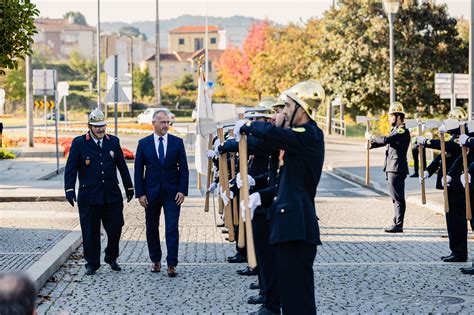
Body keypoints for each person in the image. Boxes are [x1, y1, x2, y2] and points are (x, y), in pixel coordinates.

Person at [237, 80, 325, 315]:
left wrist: (247, 125)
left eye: (287, 106)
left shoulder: (309, 135)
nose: (283, 111)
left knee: (299, 301)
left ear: (302, 109)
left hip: (297, 230)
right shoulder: (296, 138)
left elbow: (272, 134)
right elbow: (285, 186)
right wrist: (261, 197)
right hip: (287, 228)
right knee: (291, 297)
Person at [64, 108, 134, 275]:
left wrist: (129, 187)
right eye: (97, 126)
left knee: (117, 226)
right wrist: (69, 189)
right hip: (89, 196)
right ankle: (92, 262)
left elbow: (122, 166)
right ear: (90, 126)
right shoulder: (79, 143)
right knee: (90, 230)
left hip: (111, 195)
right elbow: (71, 168)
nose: (101, 129)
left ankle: (111, 256)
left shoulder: (113, 142)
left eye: (103, 125)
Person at [134, 109, 189, 277]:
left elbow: (184, 169)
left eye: (168, 122)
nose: (166, 125)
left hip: (172, 193)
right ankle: (155, 260)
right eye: (163, 122)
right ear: (154, 123)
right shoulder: (143, 144)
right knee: (151, 227)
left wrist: (182, 190)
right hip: (151, 193)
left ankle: (172, 263)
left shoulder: (177, 142)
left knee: (172, 228)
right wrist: (140, 194)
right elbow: (138, 171)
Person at [417, 107, 465, 262]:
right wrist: (428, 171)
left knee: (457, 220)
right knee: (450, 219)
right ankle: (455, 250)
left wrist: (428, 142)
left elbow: (448, 147)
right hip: (449, 185)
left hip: (458, 186)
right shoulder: (452, 138)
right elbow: (441, 157)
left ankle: (460, 252)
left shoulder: (462, 138)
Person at [367, 102, 410, 233]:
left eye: (391, 116)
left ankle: (398, 224)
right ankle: (396, 221)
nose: (389, 119)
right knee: (394, 197)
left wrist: (372, 138)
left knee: (398, 197)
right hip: (392, 167)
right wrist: (371, 144)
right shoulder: (396, 131)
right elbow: (388, 141)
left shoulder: (402, 131)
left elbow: (386, 139)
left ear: (398, 116)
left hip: (396, 168)